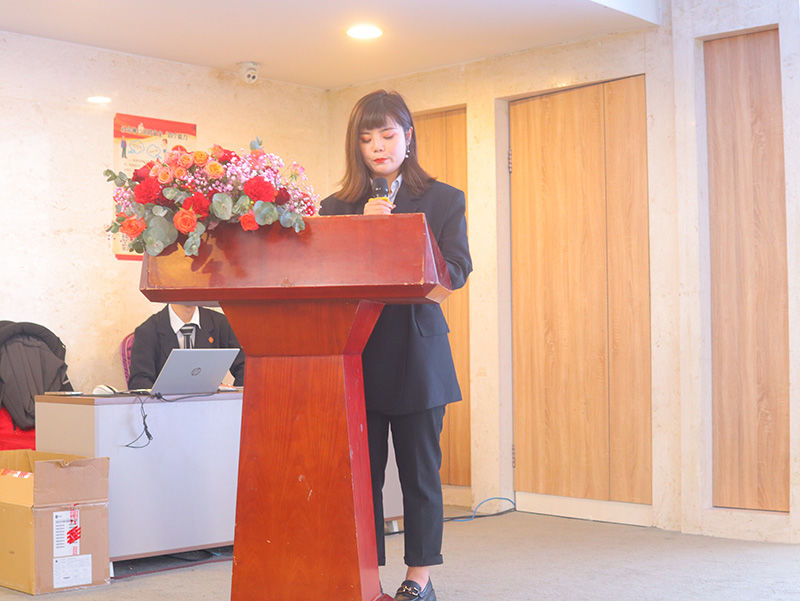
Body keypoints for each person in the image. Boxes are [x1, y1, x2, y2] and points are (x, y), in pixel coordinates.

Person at [319, 90, 472, 601]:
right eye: (367, 139)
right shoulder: (335, 208)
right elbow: (327, 277)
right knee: (360, 479)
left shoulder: (443, 199)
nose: (378, 148)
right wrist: (361, 231)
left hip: (418, 355)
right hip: (357, 353)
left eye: (387, 135)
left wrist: (399, 235)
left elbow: (456, 271)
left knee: (419, 474)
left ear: (408, 135)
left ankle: (418, 579)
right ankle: (363, 577)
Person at [127, 303, 245, 391]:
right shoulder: (147, 331)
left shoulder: (220, 323)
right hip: (166, 411)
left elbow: (245, 367)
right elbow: (139, 382)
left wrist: (235, 399)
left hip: (211, 408)